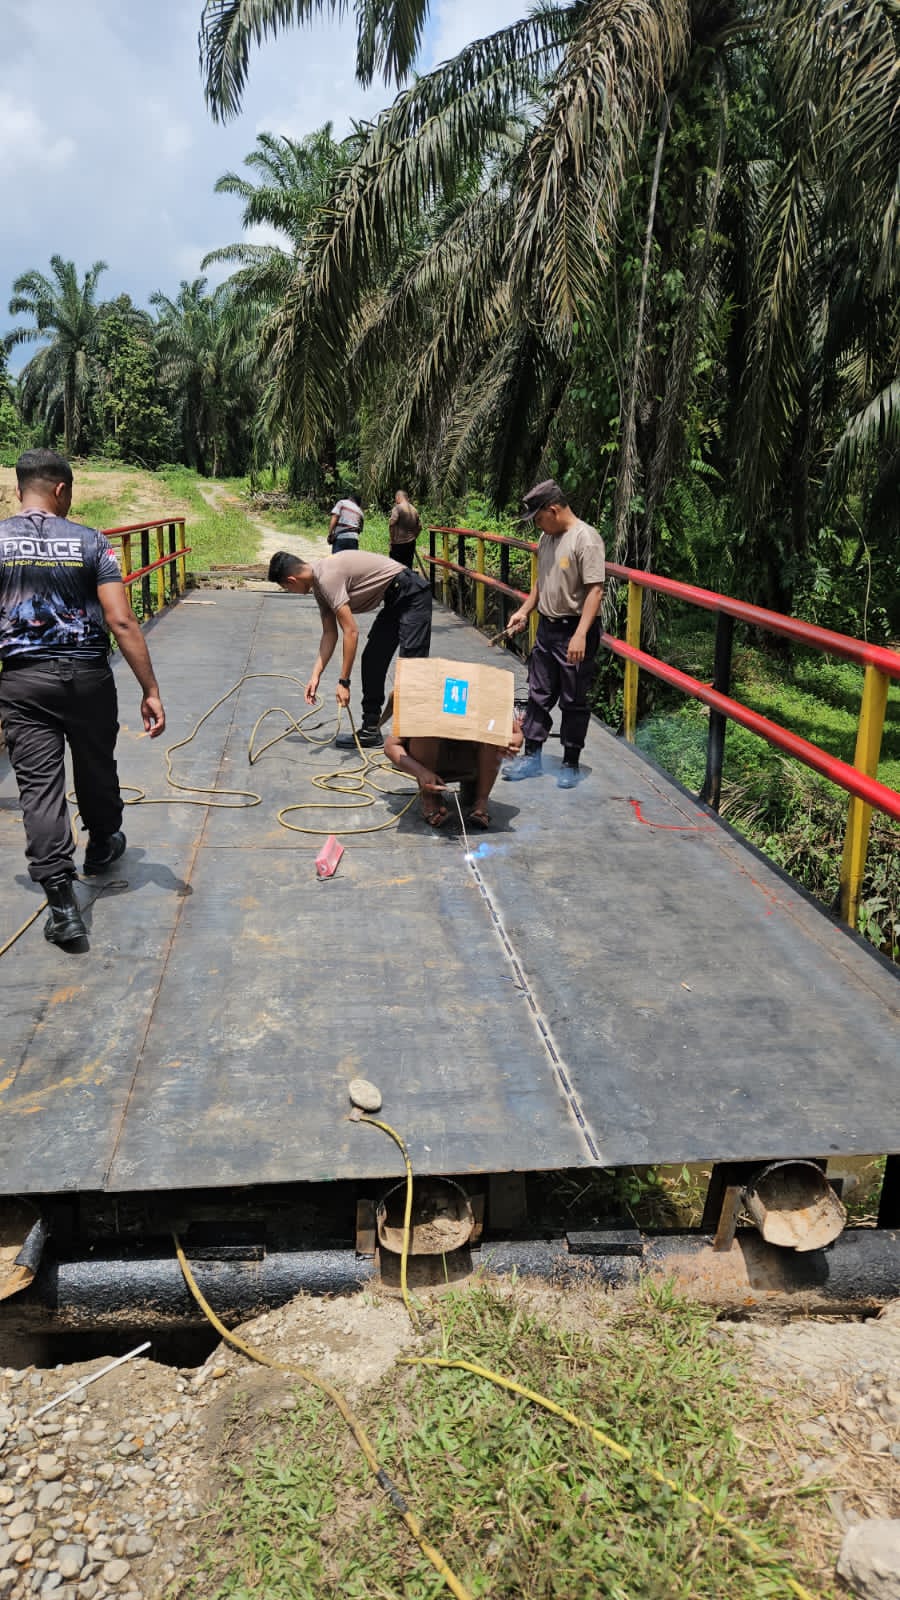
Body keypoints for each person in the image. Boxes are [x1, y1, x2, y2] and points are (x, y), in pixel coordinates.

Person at [0, 449, 166, 949]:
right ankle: (100, 845)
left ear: (18, 491)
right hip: (88, 676)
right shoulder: (91, 541)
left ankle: (63, 907)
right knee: (95, 763)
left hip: (24, 682)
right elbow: (120, 620)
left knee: (39, 789)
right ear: (62, 491)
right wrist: (150, 689)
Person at [267, 548, 432, 746]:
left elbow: (351, 632)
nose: (289, 592)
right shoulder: (320, 587)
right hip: (395, 597)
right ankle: (371, 729)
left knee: (412, 671)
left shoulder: (327, 578)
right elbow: (329, 633)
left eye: (286, 588)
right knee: (372, 658)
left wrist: (344, 682)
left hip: (412, 592)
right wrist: (315, 675)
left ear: (292, 580)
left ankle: (411, 742)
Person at [502, 479, 604, 790]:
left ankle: (570, 761)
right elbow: (541, 581)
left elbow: (595, 590)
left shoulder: (585, 539)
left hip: (575, 628)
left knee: (573, 698)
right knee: (538, 693)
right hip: (547, 628)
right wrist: (524, 611)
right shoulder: (548, 539)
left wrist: (581, 635)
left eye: (538, 518)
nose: (537, 526)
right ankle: (532, 757)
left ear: (553, 509)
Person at [384, 721, 523, 828]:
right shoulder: (423, 696)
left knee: (494, 731)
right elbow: (391, 746)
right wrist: (421, 772)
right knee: (423, 731)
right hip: (431, 768)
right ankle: (430, 800)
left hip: (473, 765)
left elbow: (516, 732)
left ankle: (480, 800)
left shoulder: (484, 693)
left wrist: (513, 741)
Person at [388, 490, 421, 568]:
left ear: (398, 497)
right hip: (411, 543)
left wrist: (392, 540)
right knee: (408, 567)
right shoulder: (414, 509)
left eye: (396, 498)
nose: (396, 501)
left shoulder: (398, 508)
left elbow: (392, 524)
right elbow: (419, 527)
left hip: (398, 543)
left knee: (395, 568)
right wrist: (414, 537)